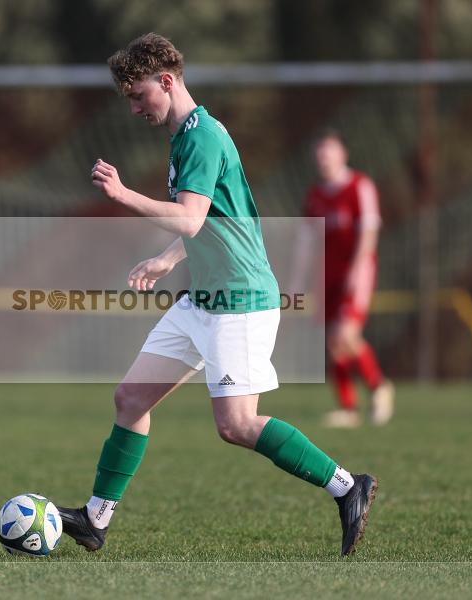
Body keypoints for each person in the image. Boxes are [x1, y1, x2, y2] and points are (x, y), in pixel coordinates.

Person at [56, 33, 377, 557]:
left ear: (167, 81)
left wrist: (122, 195)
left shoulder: (202, 138)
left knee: (237, 424)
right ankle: (95, 519)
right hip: (201, 301)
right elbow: (210, 222)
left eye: (139, 95)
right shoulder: (184, 137)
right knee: (130, 398)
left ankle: (347, 486)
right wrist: (168, 257)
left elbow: (190, 216)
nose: (134, 107)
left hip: (241, 302)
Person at [289, 132, 393, 428]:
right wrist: (297, 281)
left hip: (355, 273)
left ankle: (379, 386)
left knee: (346, 334)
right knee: (334, 342)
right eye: (320, 157)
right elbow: (306, 242)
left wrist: (358, 270)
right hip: (327, 276)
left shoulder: (360, 186)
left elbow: (369, 232)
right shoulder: (316, 196)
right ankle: (349, 409)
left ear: (342, 155)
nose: (324, 161)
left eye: (329, 155)